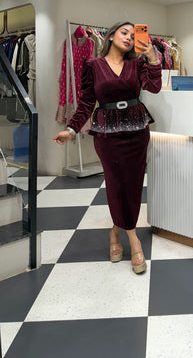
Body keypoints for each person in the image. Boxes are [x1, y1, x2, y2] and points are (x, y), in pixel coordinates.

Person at [54, 22, 161, 274]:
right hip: (107, 133)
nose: (129, 37)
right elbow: (86, 102)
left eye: (133, 35)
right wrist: (71, 130)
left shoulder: (137, 64)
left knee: (133, 185)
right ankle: (133, 239)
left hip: (137, 129)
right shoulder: (93, 65)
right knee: (115, 183)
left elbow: (154, 87)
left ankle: (115, 232)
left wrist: (153, 57)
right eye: (124, 32)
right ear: (111, 36)